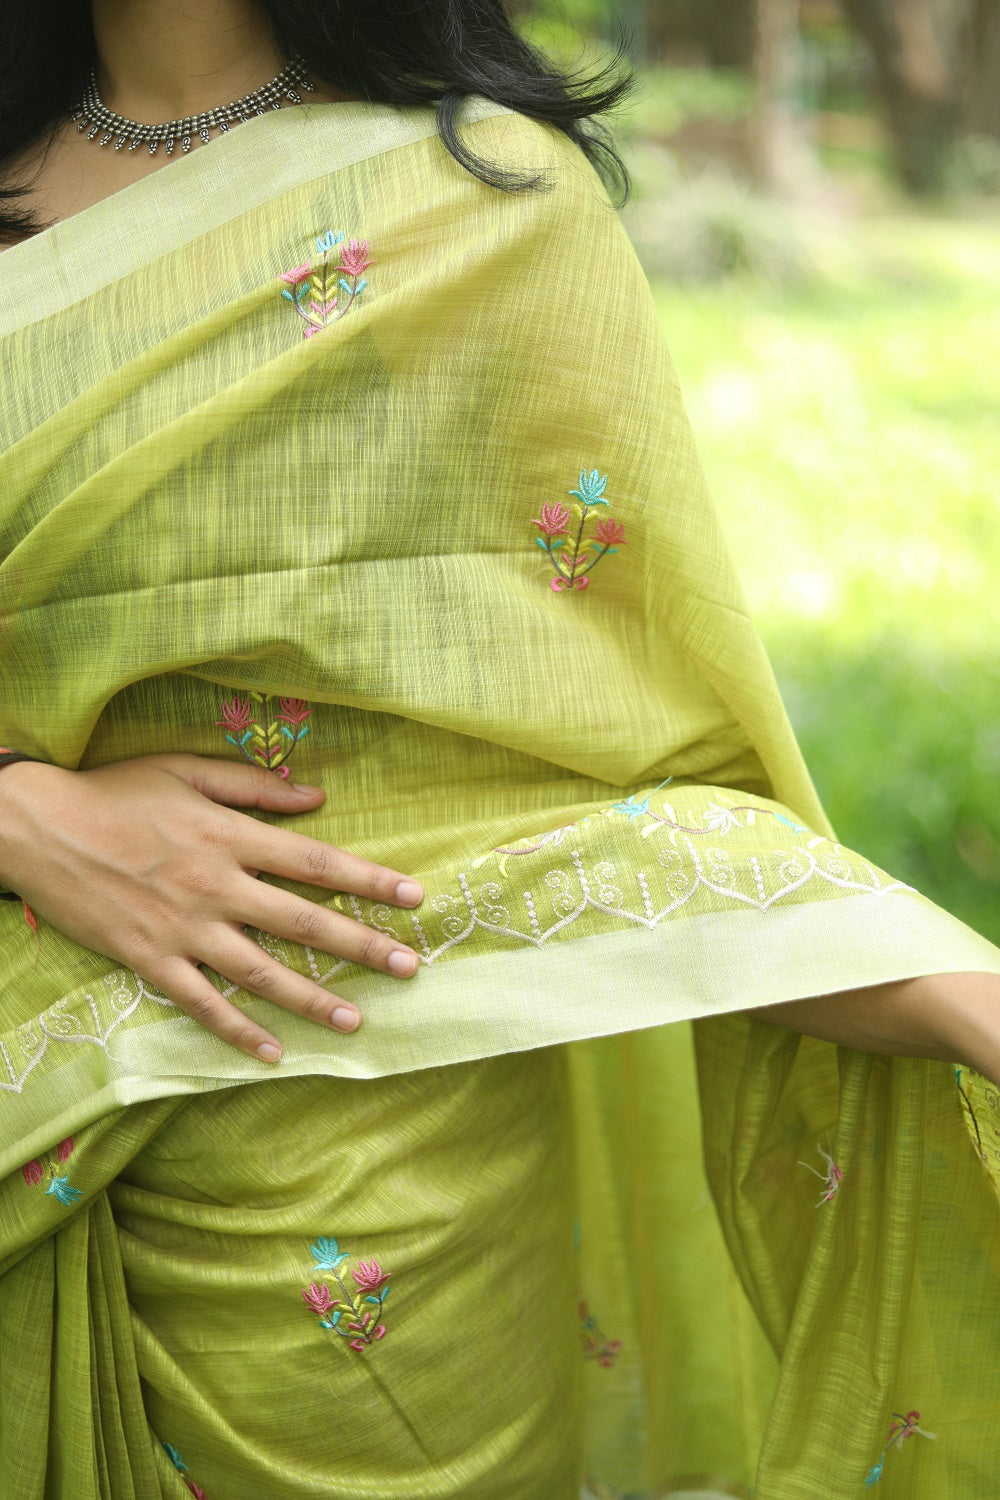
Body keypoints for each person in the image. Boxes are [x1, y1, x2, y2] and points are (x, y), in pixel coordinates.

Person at [2, 3, 999, 1496]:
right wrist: (25, 818)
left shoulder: (477, 205)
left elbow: (598, 785)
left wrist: (968, 1002)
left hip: (390, 1175)